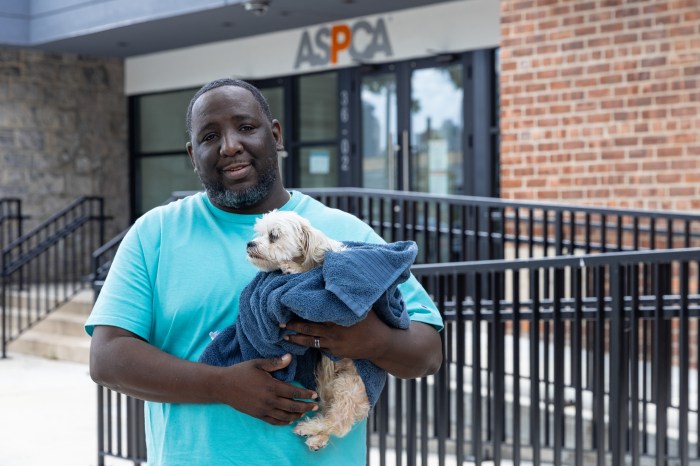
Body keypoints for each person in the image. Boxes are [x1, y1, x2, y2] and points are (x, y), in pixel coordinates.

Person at [86, 78, 444, 466]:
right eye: (209, 136)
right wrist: (221, 385)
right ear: (193, 155)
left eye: (245, 127)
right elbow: (107, 359)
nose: (229, 145)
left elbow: (428, 353)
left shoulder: (343, 235)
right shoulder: (154, 234)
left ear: (275, 135)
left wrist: (372, 340)